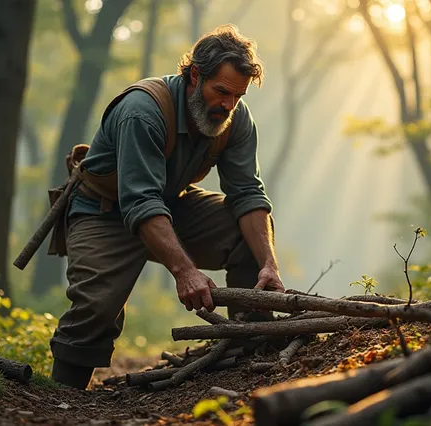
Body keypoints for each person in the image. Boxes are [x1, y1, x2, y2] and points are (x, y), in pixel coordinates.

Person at [49, 24, 285, 390]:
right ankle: (60, 400)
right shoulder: (143, 111)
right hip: (103, 211)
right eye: (221, 91)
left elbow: (249, 194)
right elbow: (139, 200)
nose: (228, 105)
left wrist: (269, 263)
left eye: (237, 97)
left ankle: (248, 354)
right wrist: (185, 271)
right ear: (194, 75)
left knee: (248, 235)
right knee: (95, 309)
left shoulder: (235, 120)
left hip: (170, 205)